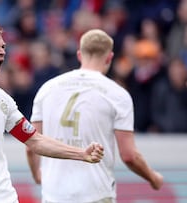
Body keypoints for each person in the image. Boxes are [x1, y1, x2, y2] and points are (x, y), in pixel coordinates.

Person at [0, 22, 104, 203]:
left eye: (3, 47)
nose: (2, 52)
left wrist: (81, 154)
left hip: (4, 196)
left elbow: (35, 140)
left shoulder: (1, 99)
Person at [26, 29, 164, 203]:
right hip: (95, 194)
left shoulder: (47, 89)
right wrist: (153, 177)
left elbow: (31, 145)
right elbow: (129, 155)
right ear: (109, 57)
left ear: (79, 55)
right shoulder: (117, 95)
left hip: (54, 194)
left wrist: (37, 174)